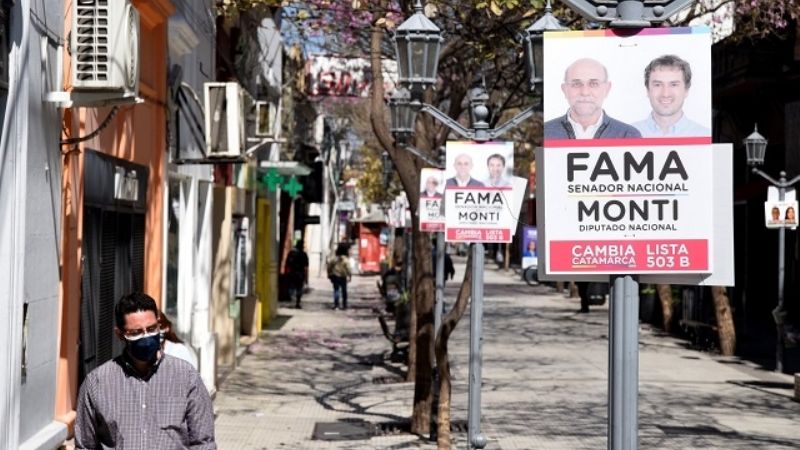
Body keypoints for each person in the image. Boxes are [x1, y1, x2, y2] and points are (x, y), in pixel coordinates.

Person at [75, 292, 215, 449]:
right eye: (136, 333)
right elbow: (85, 446)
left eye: (152, 328)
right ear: (120, 334)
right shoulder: (97, 383)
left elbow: (203, 443)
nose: (146, 337)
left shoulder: (186, 376)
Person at [544, 58, 641, 139]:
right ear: (564, 90)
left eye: (594, 84)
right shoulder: (544, 133)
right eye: (576, 84)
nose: (585, 92)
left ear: (607, 89)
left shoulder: (628, 135)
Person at [632, 54, 710, 137]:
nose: (665, 94)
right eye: (657, 85)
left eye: (674, 85)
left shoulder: (705, 135)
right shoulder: (628, 135)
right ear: (647, 90)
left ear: (686, 90)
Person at [286, 239, 309, 308]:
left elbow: (287, 263)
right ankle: (297, 303)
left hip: (292, 273)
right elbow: (306, 267)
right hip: (300, 274)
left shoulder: (291, 253)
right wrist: (306, 278)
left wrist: (288, 272)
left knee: (291, 287)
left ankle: (291, 300)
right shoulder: (304, 254)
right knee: (299, 288)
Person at [327, 243, 352, 310]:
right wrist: (350, 276)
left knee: (336, 290)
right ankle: (344, 305)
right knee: (344, 291)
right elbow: (349, 269)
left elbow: (329, 267)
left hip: (335, 276)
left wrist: (329, 274)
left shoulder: (334, 259)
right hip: (343, 277)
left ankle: (336, 305)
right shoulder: (346, 259)